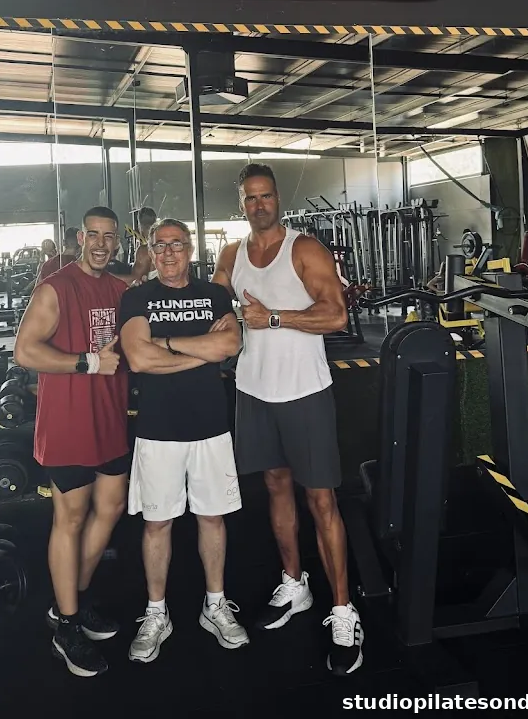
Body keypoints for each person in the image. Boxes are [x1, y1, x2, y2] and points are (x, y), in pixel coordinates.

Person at [212, 164, 363, 676]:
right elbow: (207, 305)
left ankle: (343, 610)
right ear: (241, 204)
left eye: (266, 196)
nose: (259, 205)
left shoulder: (305, 249)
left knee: (320, 500)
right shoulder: (231, 255)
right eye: (250, 198)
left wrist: (273, 318)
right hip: (254, 391)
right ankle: (295, 584)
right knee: (276, 487)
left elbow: (336, 315)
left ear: (278, 199)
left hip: (304, 393)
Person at [119, 218, 248, 663]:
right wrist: (200, 351)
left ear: (190, 249)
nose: (169, 253)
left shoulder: (215, 295)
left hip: (210, 426)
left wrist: (167, 343)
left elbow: (229, 346)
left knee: (212, 517)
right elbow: (139, 357)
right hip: (158, 430)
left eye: (177, 244)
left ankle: (215, 605)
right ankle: (157, 613)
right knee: (157, 523)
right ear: (151, 253)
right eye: (160, 246)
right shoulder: (137, 297)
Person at [14, 206, 129, 679]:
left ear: (117, 241)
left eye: (109, 236)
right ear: (81, 238)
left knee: (112, 507)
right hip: (68, 424)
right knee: (72, 518)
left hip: (110, 419)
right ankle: (66, 625)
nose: (101, 244)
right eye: (93, 235)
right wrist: (87, 363)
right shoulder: (55, 288)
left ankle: (72, 603)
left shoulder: (119, 289)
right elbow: (25, 351)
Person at [130, 206, 158, 283]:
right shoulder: (166, 246)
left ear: (140, 226)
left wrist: (107, 276)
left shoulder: (145, 251)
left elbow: (134, 280)